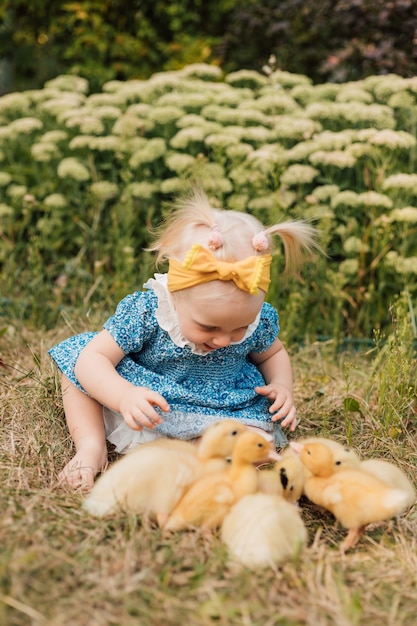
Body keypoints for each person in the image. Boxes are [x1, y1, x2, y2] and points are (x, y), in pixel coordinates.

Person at [49, 188, 321, 490]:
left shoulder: (258, 319)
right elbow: (93, 360)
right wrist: (123, 395)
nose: (223, 340)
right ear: (176, 294)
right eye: (208, 327)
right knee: (78, 364)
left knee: (258, 445)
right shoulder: (148, 312)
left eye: (239, 328)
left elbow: (272, 354)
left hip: (223, 406)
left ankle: (191, 454)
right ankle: (91, 445)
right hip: (149, 400)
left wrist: (282, 386)